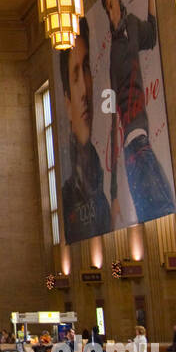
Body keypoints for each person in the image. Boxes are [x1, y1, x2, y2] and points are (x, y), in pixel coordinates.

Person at [102, 0, 176, 225]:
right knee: (162, 207)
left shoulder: (132, 26)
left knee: (161, 207)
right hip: (133, 145)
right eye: (108, 10)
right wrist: (113, 195)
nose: (112, 13)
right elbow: (111, 121)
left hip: (141, 140)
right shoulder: (113, 55)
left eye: (112, 5)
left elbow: (153, 33)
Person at [59, 17, 112, 243]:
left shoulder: (105, 178)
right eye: (75, 75)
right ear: (68, 104)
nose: (84, 90)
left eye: (87, 68)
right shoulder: (69, 195)